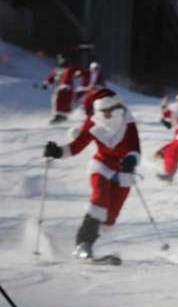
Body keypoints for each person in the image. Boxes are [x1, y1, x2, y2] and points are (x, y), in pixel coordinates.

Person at [42, 90, 140, 260]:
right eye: (110, 109)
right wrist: (57, 151)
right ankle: (83, 244)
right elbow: (76, 146)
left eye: (117, 106)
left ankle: (89, 244)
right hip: (102, 166)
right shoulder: (92, 123)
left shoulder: (127, 122)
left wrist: (131, 159)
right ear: (101, 112)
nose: (117, 111)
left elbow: (135, 148)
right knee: (99, 200)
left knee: (110, 217)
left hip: (123, 171)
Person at [43, 54, 79, 124]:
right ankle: (59, 115)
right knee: (56, 100)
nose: (60, 61)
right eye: (59, 60)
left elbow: (69, 76)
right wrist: (46, 84)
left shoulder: (69, 69)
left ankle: (61, 115)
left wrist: (66, 85)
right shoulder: (57, 70)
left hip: (67, 88)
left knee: (62, 100)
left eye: (62, 60)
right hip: (60, 87)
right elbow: (52, 77)